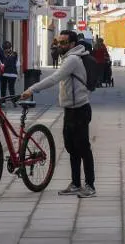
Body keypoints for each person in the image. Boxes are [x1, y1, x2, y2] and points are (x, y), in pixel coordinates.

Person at [21, 30, 97, 198]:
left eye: (63, 43)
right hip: (70, 109)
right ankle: (76, 183)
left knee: (83, 148)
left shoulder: (72, 59)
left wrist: (31, 89)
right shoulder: (68, 58)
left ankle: (90, 185)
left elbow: (54, 78)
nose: (58, 45)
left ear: (72, 44)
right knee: (71, 148)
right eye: (58, 42)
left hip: (80, 109)